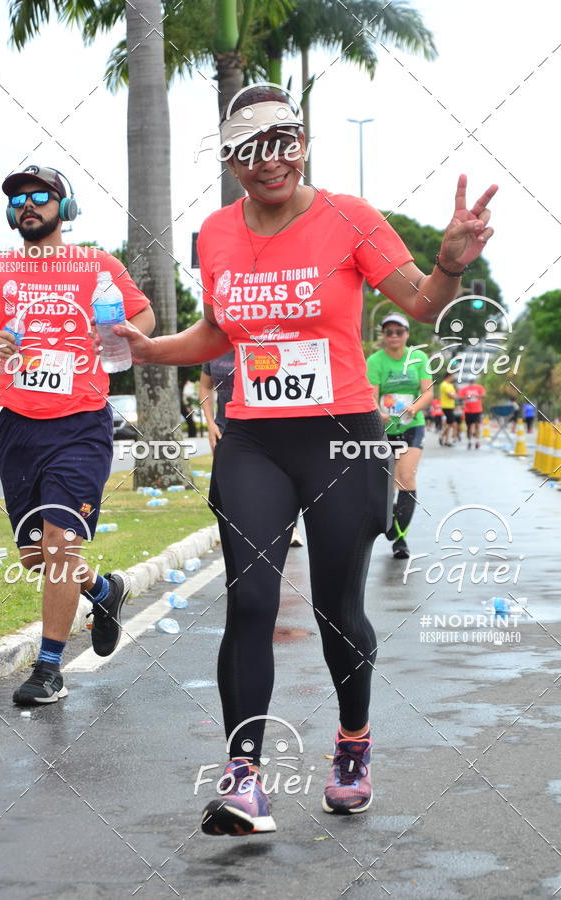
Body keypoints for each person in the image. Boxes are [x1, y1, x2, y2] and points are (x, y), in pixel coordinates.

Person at [115, 85, 496, 833]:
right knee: (252, 601)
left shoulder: (349, 217)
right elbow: (222, 332)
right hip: (255, 437)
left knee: (335, 609)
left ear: (304, 143)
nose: (270, 160)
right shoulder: (217, 233)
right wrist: (154, 350)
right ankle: (242, 777)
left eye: (284, 141)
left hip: (342, 437)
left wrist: (449, 266)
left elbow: (420, 303)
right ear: (230, 160)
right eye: (251, 149)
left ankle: (352, 745)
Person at [0, 165, 155, 706]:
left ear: (65, 208)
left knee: (60, 543)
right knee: (36, 555)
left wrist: (113, 332)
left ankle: (49, 669)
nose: (29, 205)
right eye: (19, 199)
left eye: (41, 196)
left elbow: (146, 317)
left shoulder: (96, 264)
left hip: (81, 422)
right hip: (18, 425)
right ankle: (103, 590)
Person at [200, 349, 305, 547]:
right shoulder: (213, 346)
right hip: (225, 429)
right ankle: (236, 532)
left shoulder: (257, 341)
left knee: (274, 482)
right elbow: (205, 386)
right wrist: (210, 423)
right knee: (220, 492)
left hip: (263, 428)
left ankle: (289, 526)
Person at [367, 313, 433, 559]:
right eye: (389, 332)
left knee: (406, 477)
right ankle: (392, 523)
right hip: (384, 429)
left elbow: (428, 392)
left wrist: (414, 408)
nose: (394, 336)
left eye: (399, 332)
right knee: (388, 483)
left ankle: (400, 539)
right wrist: (379, 413)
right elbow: (373, 395)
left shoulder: (418, 357)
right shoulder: (375, 361)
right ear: (383, 336)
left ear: (407, 334)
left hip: (412, 425)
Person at [458, 376, 486, 449]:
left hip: (477, 410)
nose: (472, 382)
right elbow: (459, 398)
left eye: (473, 380)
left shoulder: (479, 387)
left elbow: (483, 395)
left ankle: (477, 441)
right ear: (468, 381)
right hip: (468, 410)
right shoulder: (464, 389)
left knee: (477, 426)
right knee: (469, 427)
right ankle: (469, 442)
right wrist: (466, 397)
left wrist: (477, 395)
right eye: (470, 381)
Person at [439, 371, 459, 446]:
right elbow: (450, 395)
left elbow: (454, 394)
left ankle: (446, 440)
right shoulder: (444, 385)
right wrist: (459, 398)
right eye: (452, 377)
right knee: (453, 423)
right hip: (446, 406)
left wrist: (457, 397)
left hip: (451, 406)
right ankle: (446, 437)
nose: (452, 378)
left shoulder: (450, 385)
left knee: (449, 424)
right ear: (448, 376)